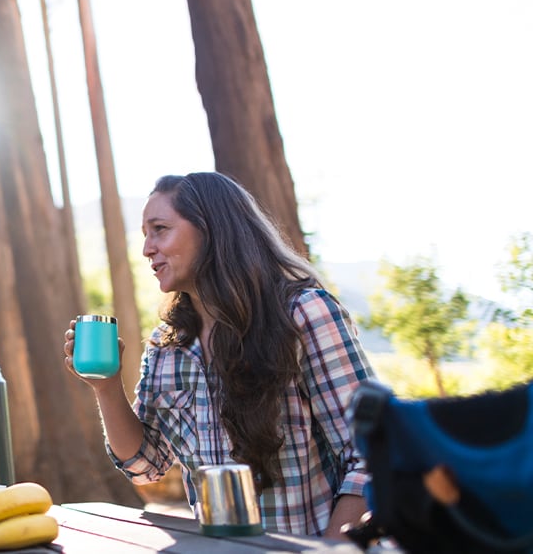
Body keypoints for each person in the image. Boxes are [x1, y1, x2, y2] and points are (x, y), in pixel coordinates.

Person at [63, 172, 374, 538]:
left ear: (210, 230)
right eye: (145, 234)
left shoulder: (305, 313)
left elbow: (371, 454)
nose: (147, 248)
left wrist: (329, 552)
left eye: (160, 229)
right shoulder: (168, 345)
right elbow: (145, 464)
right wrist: (106, 386)